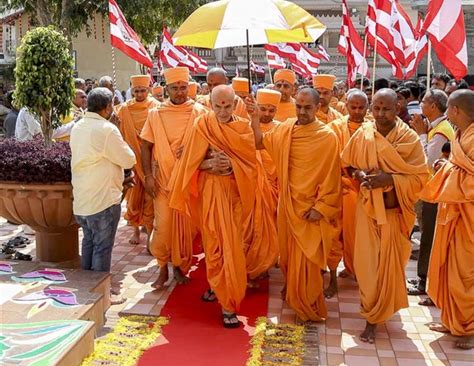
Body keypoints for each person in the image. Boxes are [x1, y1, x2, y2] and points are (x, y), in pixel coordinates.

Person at [341, 89, 429, 343]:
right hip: (368, 209)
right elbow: (347, 163)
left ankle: (378, 315)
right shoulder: (364, 133)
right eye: (376, 108)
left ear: (397, 106)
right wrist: (359, 175)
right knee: (367, 266)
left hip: (395, 213)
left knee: (389, 265)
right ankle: (372, 315)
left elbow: (420, 178)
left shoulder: (409, 139)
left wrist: (389, 179)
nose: (380, 114)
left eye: (386, 108)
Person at [248, 87, 341, 322]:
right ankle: (294, 294)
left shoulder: (327, 136)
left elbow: (332, 178)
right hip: (288, 205)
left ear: (318, 108)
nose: (302, 111)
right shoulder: (286, 129)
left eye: (308, 107)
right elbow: (259, 143)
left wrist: (321, 208)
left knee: (308, 263)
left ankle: (308, 306)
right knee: (289, 258)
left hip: (311, 210)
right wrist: (254, 118)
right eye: (299, 106)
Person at [170, 85, 259, 328]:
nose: (222, 111)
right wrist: (210, 164)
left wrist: (231, 165)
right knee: (212, 244)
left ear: (235, 104)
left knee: (231, 245)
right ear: (210, 103)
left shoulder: (242, 128)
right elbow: (190, 162)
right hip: (209, 193)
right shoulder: (202, 125)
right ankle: (217, 288)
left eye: (227, 106)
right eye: (217, 106)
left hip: (233, 196)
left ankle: (228, 303)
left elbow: (252, 166)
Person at [141, 67, 206, 289]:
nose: (180, 92)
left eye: (183, 87)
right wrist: (148, 176)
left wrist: (192, 151)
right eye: (175, 88)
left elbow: (209, 145)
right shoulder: (155, 114)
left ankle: (179, 266)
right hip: (162, 181)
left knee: (188, 228)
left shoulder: (200, 112)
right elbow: (145, 146)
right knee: (163, 228)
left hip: (190, 182)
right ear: (166, 89)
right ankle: (161, 268)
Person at [71, 88, 135, 300]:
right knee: (102, 249)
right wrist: (116, 128)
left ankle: (86, 291)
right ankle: (99, 296)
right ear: (108, 107)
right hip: (103, 200)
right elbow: (128, 160)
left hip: (83, 199)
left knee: (89, 242)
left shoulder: (78, 126)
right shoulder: (106, 129)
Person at [421, 90, 474, 349]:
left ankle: (469, 329)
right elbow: (459, 168)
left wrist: (450, 171)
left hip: (469, 219)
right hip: (454, 214)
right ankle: (453, 320)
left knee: (467, 273)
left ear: (455, 111)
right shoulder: (463, 134)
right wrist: (448, 168)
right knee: (449, 267)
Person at [407, 89, 455, 299]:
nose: (421, 105)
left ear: (433, 106)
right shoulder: (437, 127)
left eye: (424, 102)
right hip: (430, 190)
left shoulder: (440, 131)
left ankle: (424, 280)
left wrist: (421, 135)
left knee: (428, 238)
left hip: (433, 192)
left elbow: (429, 162)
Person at [326, 90, 369, 294]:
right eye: (353, 107)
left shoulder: (372, 130)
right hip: (336, 186)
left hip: (361, 191)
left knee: (358, 236)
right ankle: (332, 280)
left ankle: (355, 269)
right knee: (332, 235)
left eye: (361, 107)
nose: (357, 111)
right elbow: (326, 157)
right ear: (346, 106)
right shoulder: (334, 127)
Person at [116, 75, 158, 245]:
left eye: (143, 90)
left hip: (150, 160)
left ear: (148, 90)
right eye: (136, 91)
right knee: (133, 199)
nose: (139, 94)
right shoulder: (124, 109)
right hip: (132, 160)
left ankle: (149, 234)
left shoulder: (156, 107)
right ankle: (135, 231)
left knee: (150, 198)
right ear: (132, 91)